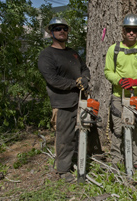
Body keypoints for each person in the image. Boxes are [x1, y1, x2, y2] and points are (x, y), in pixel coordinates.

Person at [38, 17, 90, 182]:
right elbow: (52, 79)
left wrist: (85, 79)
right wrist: (75, 83)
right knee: (65, 137)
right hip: (62, 101)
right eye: (58, 28)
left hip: (81, 99)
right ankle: (63, 170)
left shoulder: (73, 52)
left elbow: (84, 69)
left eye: (65, 29)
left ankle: (89, 158)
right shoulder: (47, 54)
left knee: (89, 129)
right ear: (51, 32)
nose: (62, 31)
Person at [104, 13, 137, 170]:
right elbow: (108, 71)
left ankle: (135, 160)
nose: (131, 33)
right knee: (118, 129)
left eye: (135, 30)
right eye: (128, 30)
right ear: (123, 31)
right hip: (119, 96)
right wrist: (119, 81)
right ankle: (116, 160)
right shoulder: (114, 49)